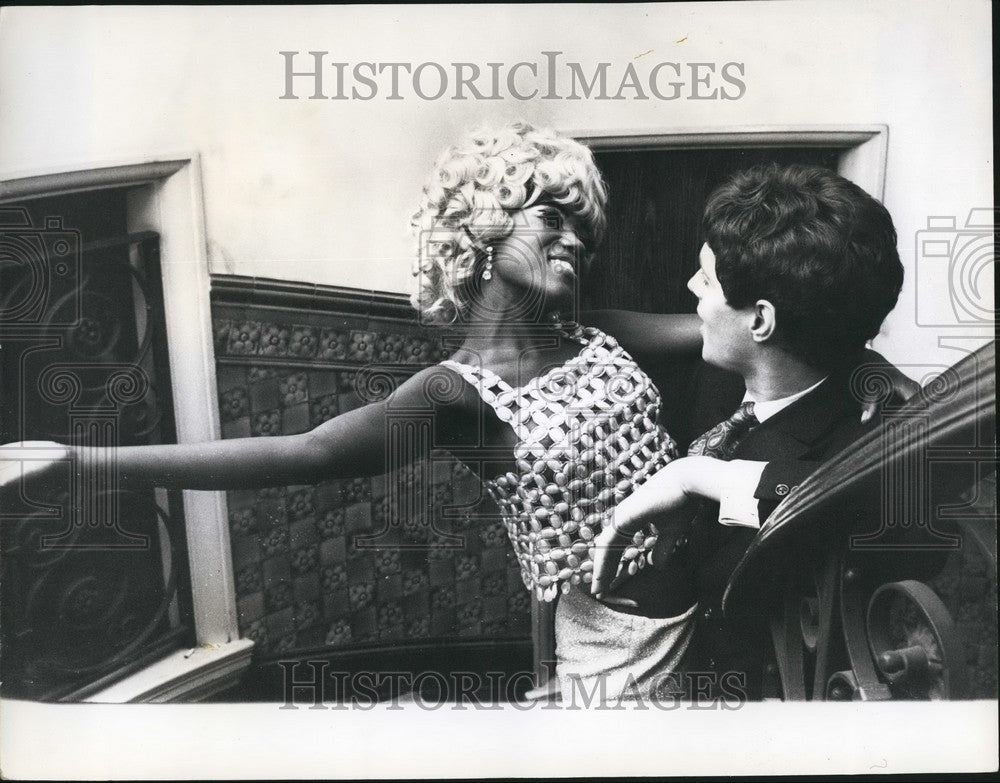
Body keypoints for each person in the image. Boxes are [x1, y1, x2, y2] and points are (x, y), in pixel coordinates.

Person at [1, 122, 709, 702]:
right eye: (552, 217)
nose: (579, 241)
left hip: (703, 603)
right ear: (483, 230)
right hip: (619, 655)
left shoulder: (602, 331)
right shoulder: (457, 392)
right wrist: (80, 461)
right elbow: (304, 452)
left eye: (585, 227)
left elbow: (729, 332)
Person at [590, 162, 909, 699]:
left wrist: (698, 476)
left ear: (761, 320)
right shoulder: (719, 373)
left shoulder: (867, 434)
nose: (691, 286)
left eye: (707, 278)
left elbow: (860, 501)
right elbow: (587, 327)